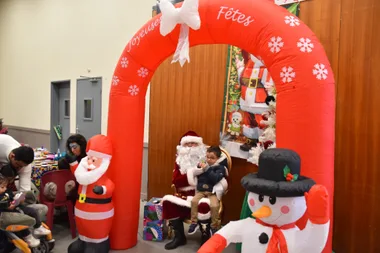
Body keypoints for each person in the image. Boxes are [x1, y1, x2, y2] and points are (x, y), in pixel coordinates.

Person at [162, 131, 229, 250]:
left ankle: (205, 236)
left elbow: (220, 174)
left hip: (203, 193)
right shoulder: (180, 162)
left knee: (204, 204)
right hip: (184, 195)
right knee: (168, 202)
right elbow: (176, 181)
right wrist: (192, 173)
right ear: (182, 147)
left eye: (194, 143)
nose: (191, 147)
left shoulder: (206, 159)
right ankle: (179, 237)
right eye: (188, 144)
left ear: (200, 146)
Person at [67, 134, 114, 253]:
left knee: (95, 234)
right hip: (81, 208)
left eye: (94, 160)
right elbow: (79, 175)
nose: (89, 162)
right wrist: (73, 163)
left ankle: (98, 244)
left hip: (98, 211)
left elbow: (110, 187)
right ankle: (83, 240)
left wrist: (102, 190)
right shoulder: (84, 173)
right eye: (89, 158)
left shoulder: (103, 178)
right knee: (82, 229)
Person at [0, 174, 50, 247]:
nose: (5, 189)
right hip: (8, 213)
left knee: (32, 211)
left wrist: (19, 199)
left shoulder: (7, 191)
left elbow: (13, 198)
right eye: (2, 187)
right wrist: (15, 203)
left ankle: (38, 227)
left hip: (17, 207)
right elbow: (8, 207)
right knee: (21, 222)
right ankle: (28, 237)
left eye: (5, 187)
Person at [188, 146, 228, 235]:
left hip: (212, 192)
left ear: (218, 158)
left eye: (212, 158)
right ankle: (194, 222)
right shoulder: (204, 163)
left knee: (214, 206)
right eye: (207, 157)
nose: (209, 160)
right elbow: (195, 173)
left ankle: (214, 226)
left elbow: (216, 178)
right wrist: (199, 167)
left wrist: (207, 169)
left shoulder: (220, 168)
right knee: (194, 201)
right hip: (201, 190)